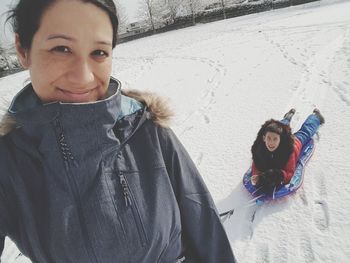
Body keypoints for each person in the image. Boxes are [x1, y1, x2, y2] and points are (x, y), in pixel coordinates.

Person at [0, 1, 236, 262]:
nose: (84, 77)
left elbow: (205, 227)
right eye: (61, 48)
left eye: (99, 52)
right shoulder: (8, 164)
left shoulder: (147, 131)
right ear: (23, 50)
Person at [250, 108, 325, 195]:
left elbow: (289, 173)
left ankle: (316, 117)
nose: (271, 143)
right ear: (264, 138)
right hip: (278, 133)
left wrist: (276, 175)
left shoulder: (288, 152)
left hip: (296, 142)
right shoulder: (260, 149)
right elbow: (256, 164)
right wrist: (257, 176)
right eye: (268, 138)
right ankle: (287, 117)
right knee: (278, 126)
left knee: (305, 132)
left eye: (275, 139)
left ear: (281, 140)